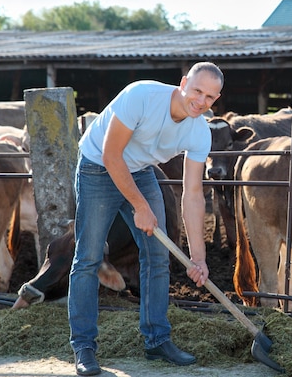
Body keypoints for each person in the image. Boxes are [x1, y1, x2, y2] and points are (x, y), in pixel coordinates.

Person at [68, 62, 223, 376]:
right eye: (197, 90)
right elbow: (112, 156)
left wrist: (199, 257)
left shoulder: (199, 131)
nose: (201, 101)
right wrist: (140, 206)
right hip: (98, 166)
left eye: (210, 96)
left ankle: (157, 340)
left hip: (139, 171)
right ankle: (84, 346)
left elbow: (193, 194)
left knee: (157, 255)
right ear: (183, 83)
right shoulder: (142, 96)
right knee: (89, 257)